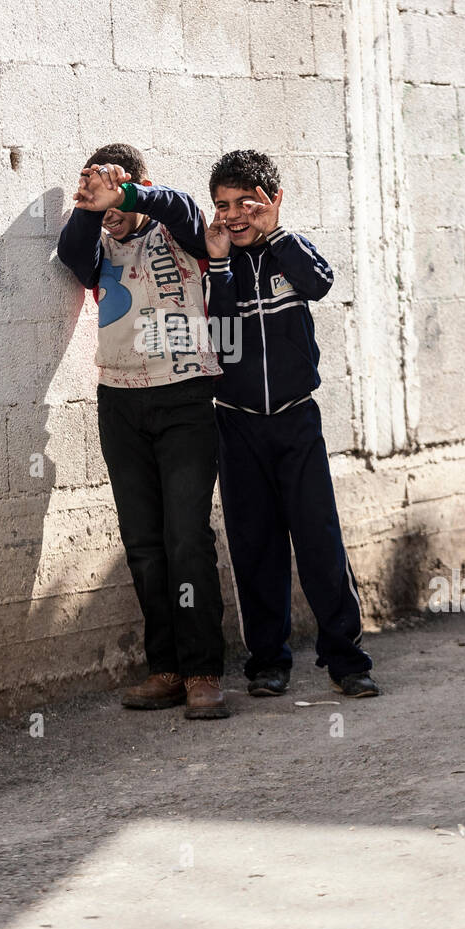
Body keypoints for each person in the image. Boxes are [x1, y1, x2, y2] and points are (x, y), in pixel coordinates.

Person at [57, 144, 229, 719]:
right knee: (144, 543)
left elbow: (182, 206)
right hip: (121, 403)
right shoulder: (95, 243)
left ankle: (204, 672)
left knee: (186, 537)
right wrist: (89, 204)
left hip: (184, 399)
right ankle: (167, 669)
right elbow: (69, 253)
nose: (110, 205)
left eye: (117, 190)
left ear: (138, 186)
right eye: (96, 188)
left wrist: (126, 191)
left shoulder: (175, 230)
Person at [203, 148, 379, 699]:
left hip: (297, 421)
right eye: (222, 205)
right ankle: (268, 663)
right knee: (255, 546)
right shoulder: (216, 260)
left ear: (272, 201)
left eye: (245, 204)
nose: (233, 216)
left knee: (319, 540)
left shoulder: (290, 251)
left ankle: (346, 660)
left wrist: (275, 232)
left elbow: (320, 282)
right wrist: (220, 264)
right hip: (236, 426)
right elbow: (222, 337)